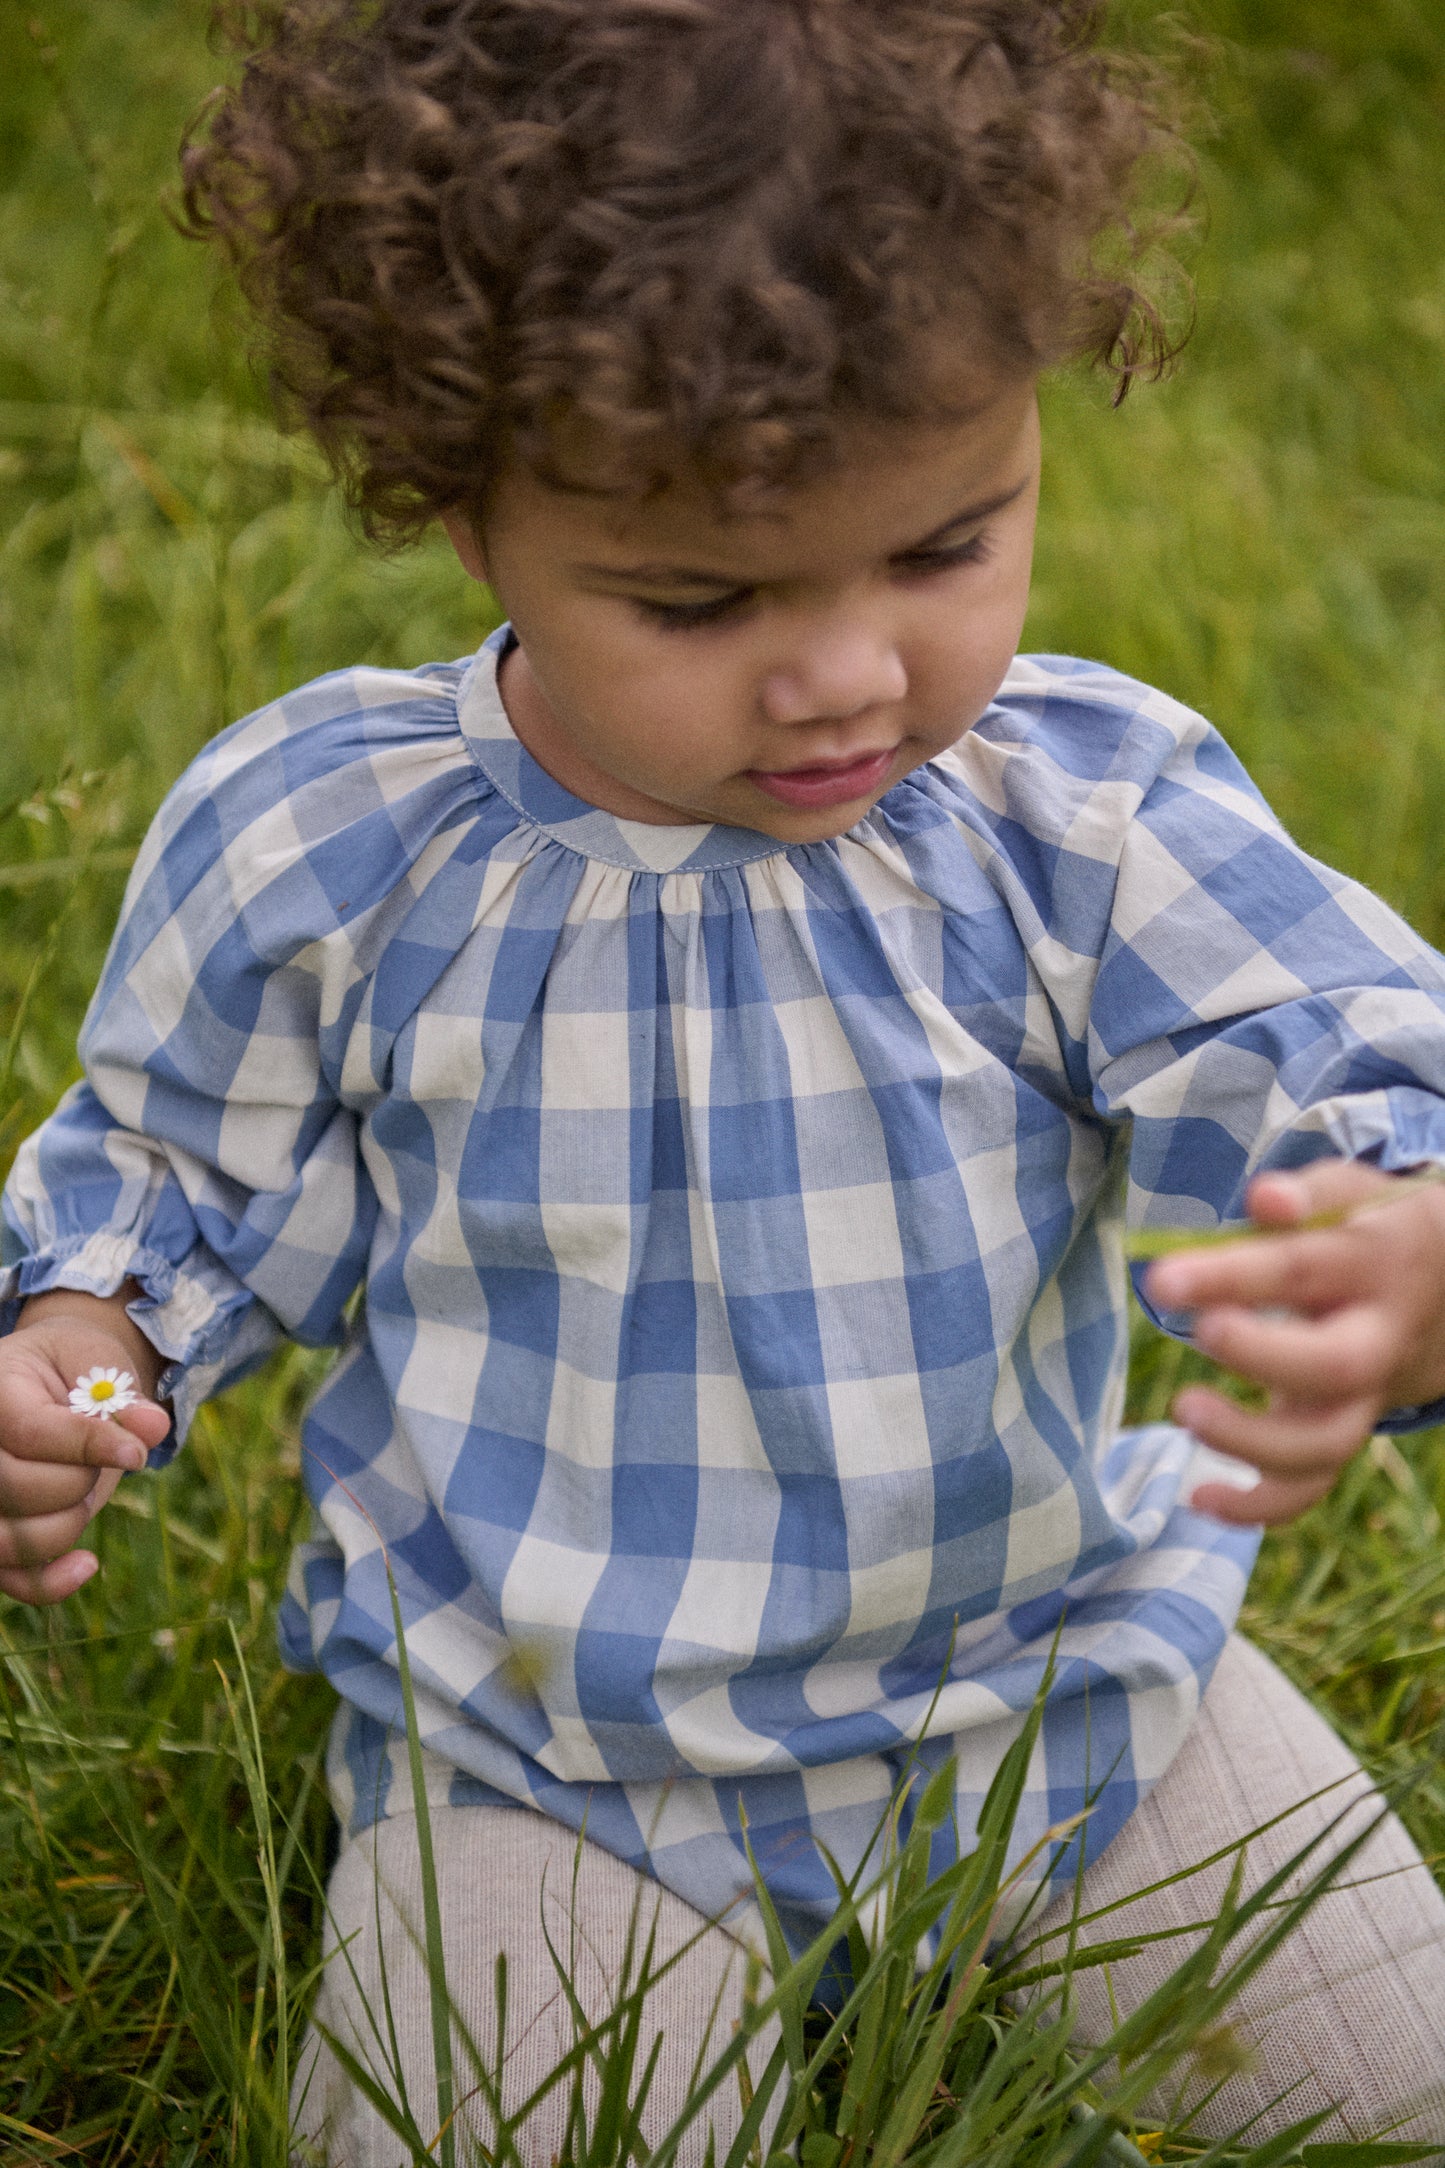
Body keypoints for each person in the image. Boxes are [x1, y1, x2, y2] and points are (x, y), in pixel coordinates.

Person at [3, 0, 1445, 2152]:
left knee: (1395, 2081)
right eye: (698, 595)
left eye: (946, 545)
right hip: (555, 1752)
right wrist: (80, 1356)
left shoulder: (1068, 819)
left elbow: (1338, 1047)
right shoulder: (336, 847)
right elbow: (178, 1182)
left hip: (1065, 1691)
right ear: (464, 504)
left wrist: (1412, 1234)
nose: (853, 670)